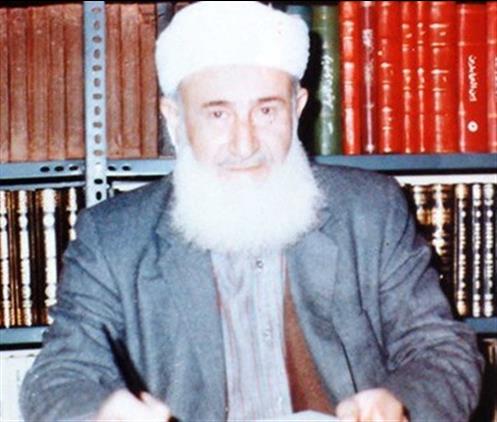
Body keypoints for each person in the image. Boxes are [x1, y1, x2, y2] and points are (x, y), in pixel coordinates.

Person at [21, 2, 483, 421]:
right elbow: (58, 376)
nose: (245, 144)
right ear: (175, 120)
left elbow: (442, 350)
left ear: (297, 109)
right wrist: (101, 414)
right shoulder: (114, 236)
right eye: (218, 114)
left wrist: (399, 404)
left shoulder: (369, 211)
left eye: (266, 111)